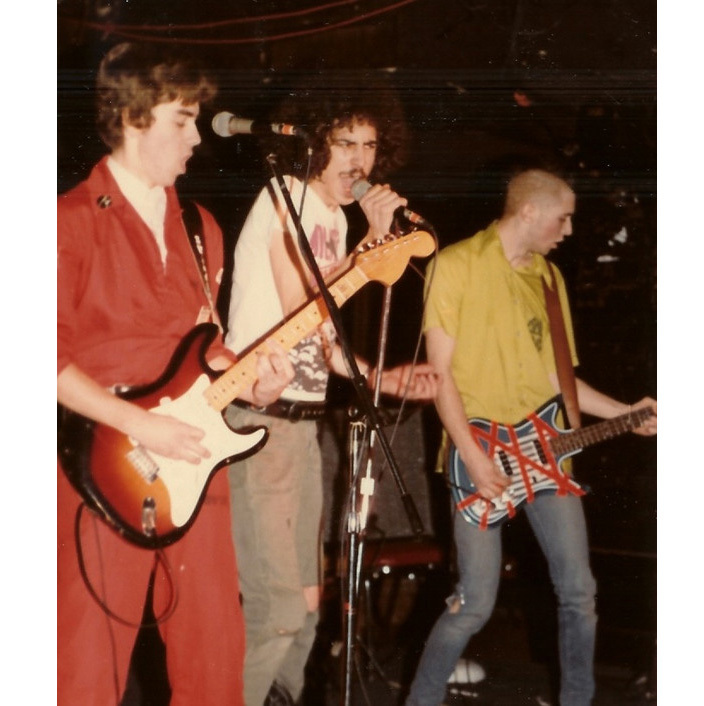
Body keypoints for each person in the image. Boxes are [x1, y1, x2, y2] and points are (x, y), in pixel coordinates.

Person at [57, 42, 294, 705]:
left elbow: (204, 348)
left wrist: (255, 382)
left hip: (192, 459)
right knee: (89, 660)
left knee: (214, 648)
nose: (196, 137)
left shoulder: (200, 227)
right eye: (182, 120)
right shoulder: (67, 222)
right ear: (133, 118)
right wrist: (139, 424)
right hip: (101, 462)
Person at [404, 168, 657, 706]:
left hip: (546, 454)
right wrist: (473, 457)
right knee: (474, 603)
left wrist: (627, 413)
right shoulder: (455, 265)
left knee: (579, 592)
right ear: (529, 212)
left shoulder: (548, 279)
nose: (568, 230)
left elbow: (557, 380)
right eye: (563, 218)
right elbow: (439, 376)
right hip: (479, 452)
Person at [222, 83, 438, 705]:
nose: (359, 160)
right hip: (260, 419)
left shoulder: (336, 221)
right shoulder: (286, 197)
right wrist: (372, 245)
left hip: (304, 423)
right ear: (315, 142)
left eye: (369, 145)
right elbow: (300, 306)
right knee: (278, 611)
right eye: (346, 142)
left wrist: (382, 378)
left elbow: (324, 339)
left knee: (309, 608)